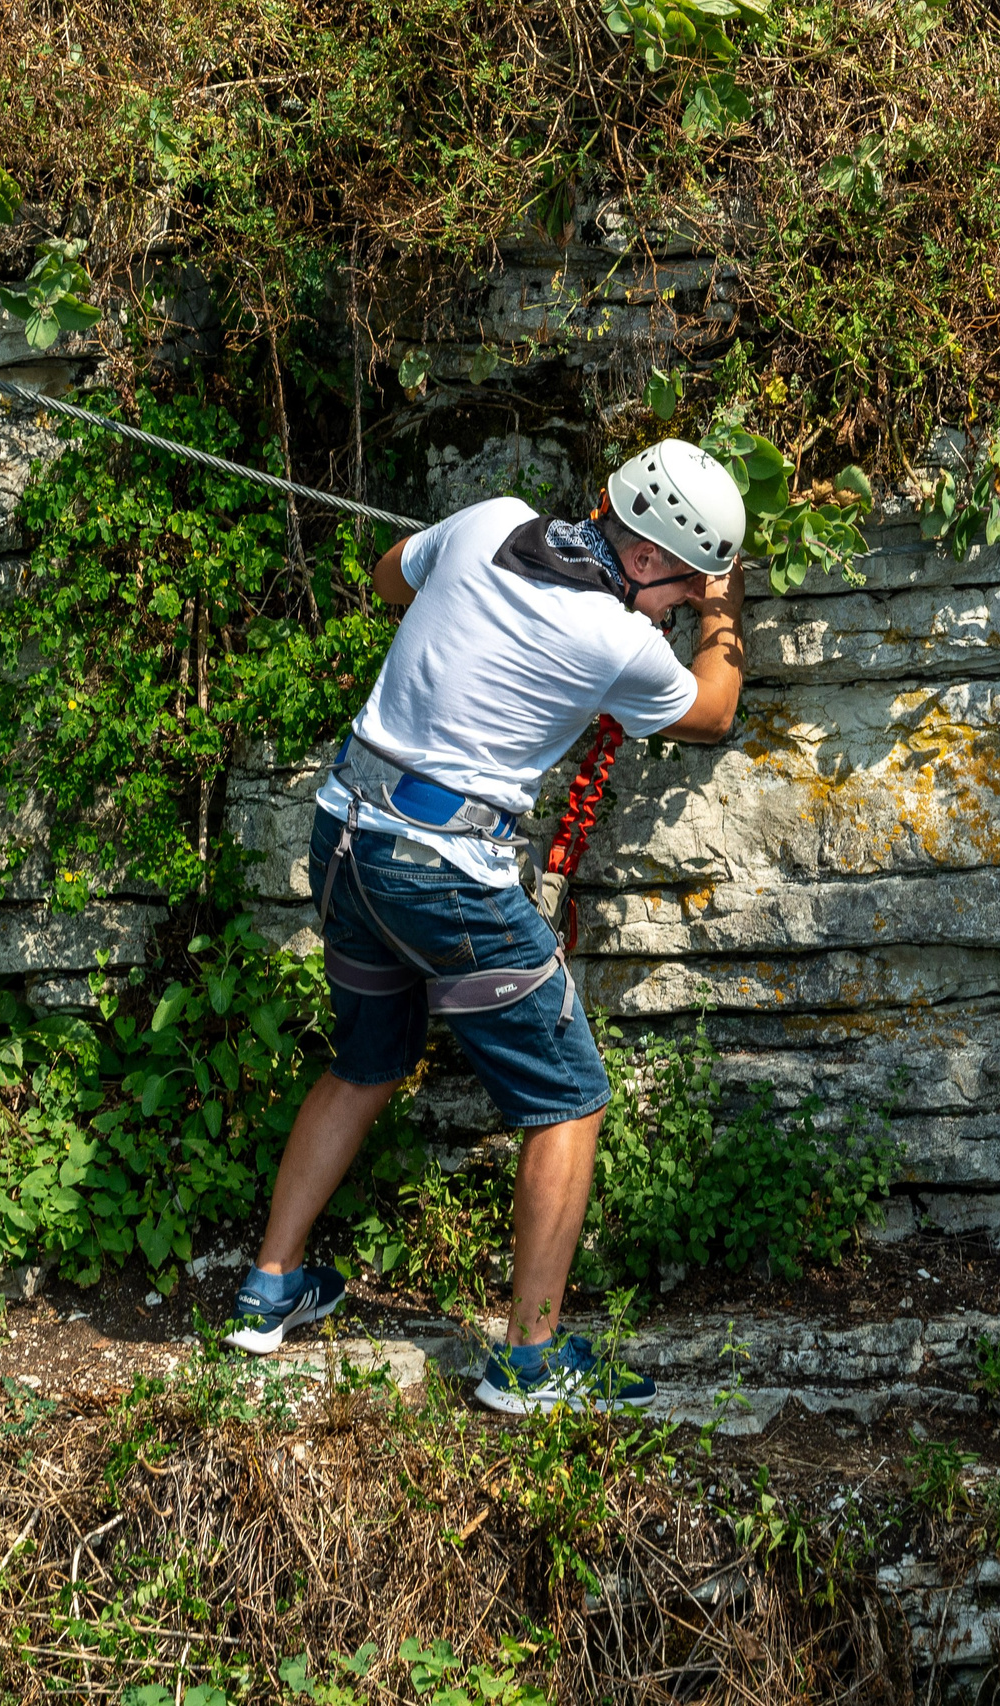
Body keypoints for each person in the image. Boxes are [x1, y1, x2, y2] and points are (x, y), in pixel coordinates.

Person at [225, 439, 750, 1412]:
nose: (682, 602)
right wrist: (725, 609)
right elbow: (713, 711)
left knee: (366, 1059)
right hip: (440, 875)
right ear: (644, 557)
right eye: (682, 581)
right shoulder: (618, 641)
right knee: (571, 1097)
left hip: (345, 836)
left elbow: (391, 577)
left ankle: (268, 1289)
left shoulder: (492, 520)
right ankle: (528, 1364)